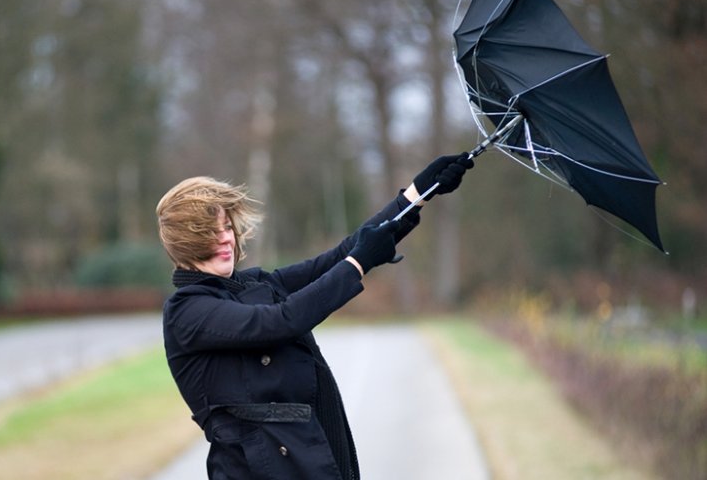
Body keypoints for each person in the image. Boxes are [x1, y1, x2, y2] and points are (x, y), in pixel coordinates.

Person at [156, 153, 474, 480]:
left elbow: (339, 256)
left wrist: (416, 195)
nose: (225, 238)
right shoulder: (187, 311)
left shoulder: (253, 283)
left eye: (226, 227)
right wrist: (358, 265)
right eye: (210, 232)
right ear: (185, 242)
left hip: (309, 453)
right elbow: (279, 322)